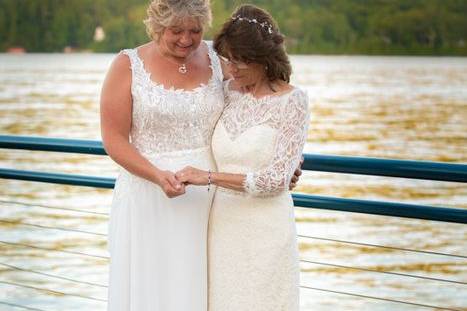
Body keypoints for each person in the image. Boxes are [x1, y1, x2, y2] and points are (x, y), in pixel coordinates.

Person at [175, 4, 310, 311]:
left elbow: (276, 180)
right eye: (228, 59)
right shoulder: (226, 92)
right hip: (222, 226)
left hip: (266, 229)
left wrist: (206, 177)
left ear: (263, 59)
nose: (232, 68)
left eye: (240, 61)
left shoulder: (294, 101)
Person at [100, 0, 224, 310]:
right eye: (176, 31)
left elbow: (252, 106)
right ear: (157, 26)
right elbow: (114, 139)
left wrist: (281, 155)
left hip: (208, 198)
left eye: (195, 30)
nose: (186, 39)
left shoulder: (219, 59)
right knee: (149, 286)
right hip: (147, 195)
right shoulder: (127, 65)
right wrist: (157, 176)